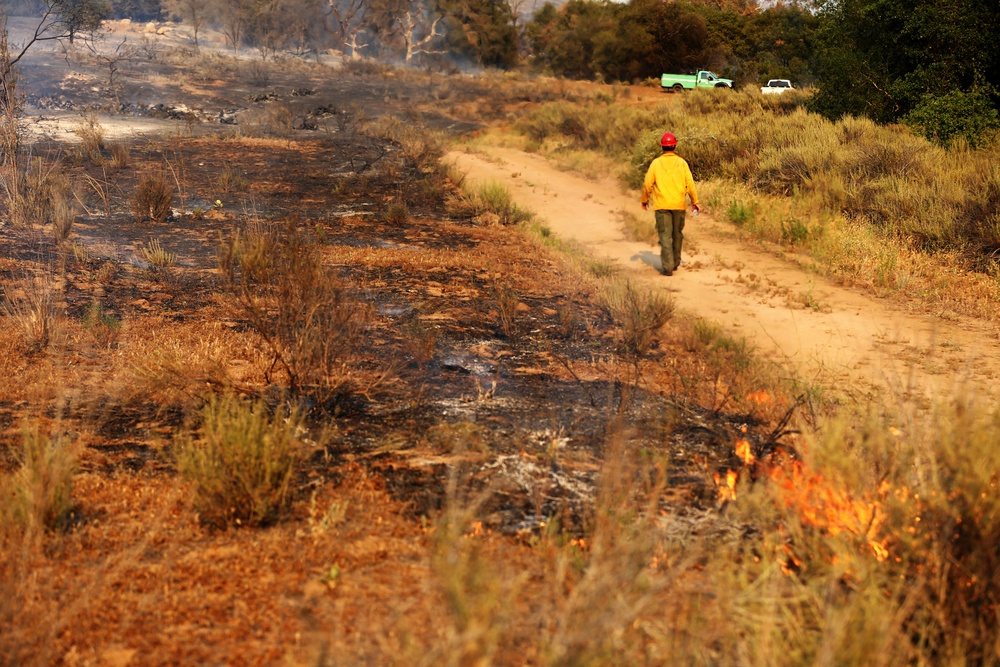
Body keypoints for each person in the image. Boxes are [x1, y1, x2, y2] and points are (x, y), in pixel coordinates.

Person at [641, 132, 700, 276]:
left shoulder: (656, 163)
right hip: (679, 205)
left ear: (662, 147)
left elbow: (648, 184)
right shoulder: (682, 163)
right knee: (677, 234)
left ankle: (667, 267)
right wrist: (695, 201)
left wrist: (644, 199)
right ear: (674, 145)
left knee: (665, 235)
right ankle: (675, 262)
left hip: (662, 206)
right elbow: (690, 184)